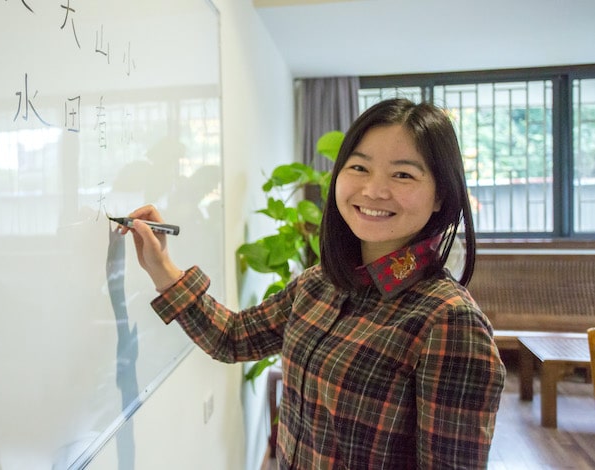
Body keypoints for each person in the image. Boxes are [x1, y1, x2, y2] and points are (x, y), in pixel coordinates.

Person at [119, 98, 506, 469]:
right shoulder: (319, 284)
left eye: (403, 174)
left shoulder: (450, 324)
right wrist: (161, 266)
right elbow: (234, 337)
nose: (374, 190)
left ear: (441, 195)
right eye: (359, 168)